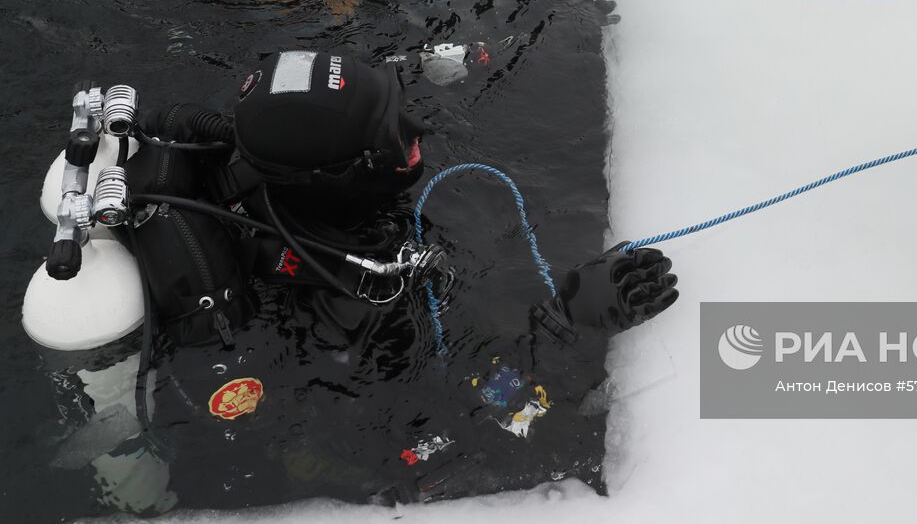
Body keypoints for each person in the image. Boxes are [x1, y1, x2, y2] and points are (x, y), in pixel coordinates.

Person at [100, 49, 678, 505]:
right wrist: (564, 326)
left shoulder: (282, 186)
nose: (417, 125)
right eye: (391, 134)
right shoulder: (332, 314)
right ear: (338, 178)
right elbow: (436, 447)